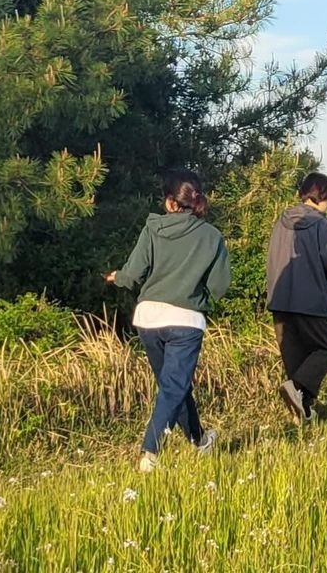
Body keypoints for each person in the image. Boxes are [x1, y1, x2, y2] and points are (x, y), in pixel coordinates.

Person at [106, 169, 231, 472]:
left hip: (147, 317)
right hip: (185, 320)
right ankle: (150, 452)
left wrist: (117, 278)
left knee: (174, 386)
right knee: (174, 386)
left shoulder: (153, 228)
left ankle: (199, 440)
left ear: (170, 202)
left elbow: (134, 272)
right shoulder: (212, 236)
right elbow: (219, 287)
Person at [265, 171, 327, 422]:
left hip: (280, 300)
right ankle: (298, 389)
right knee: (324, 349)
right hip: (311, 300)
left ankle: (304, 412)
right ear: (324, 196)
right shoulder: (322, 224)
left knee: (296, 357)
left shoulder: (281, 221)